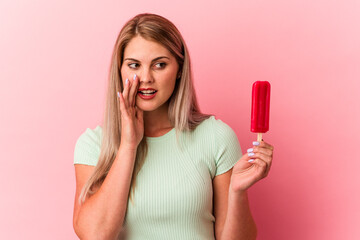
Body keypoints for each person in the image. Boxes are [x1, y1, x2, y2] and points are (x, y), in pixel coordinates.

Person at [73, 13, 274, 240]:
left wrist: (237, 192)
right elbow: (94, 235)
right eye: (134, 65)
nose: (146, 77)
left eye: (159, 65)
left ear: (179, 69)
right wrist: (128, 145)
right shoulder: (92, 144)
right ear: (120, 70)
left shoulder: (216, 137)